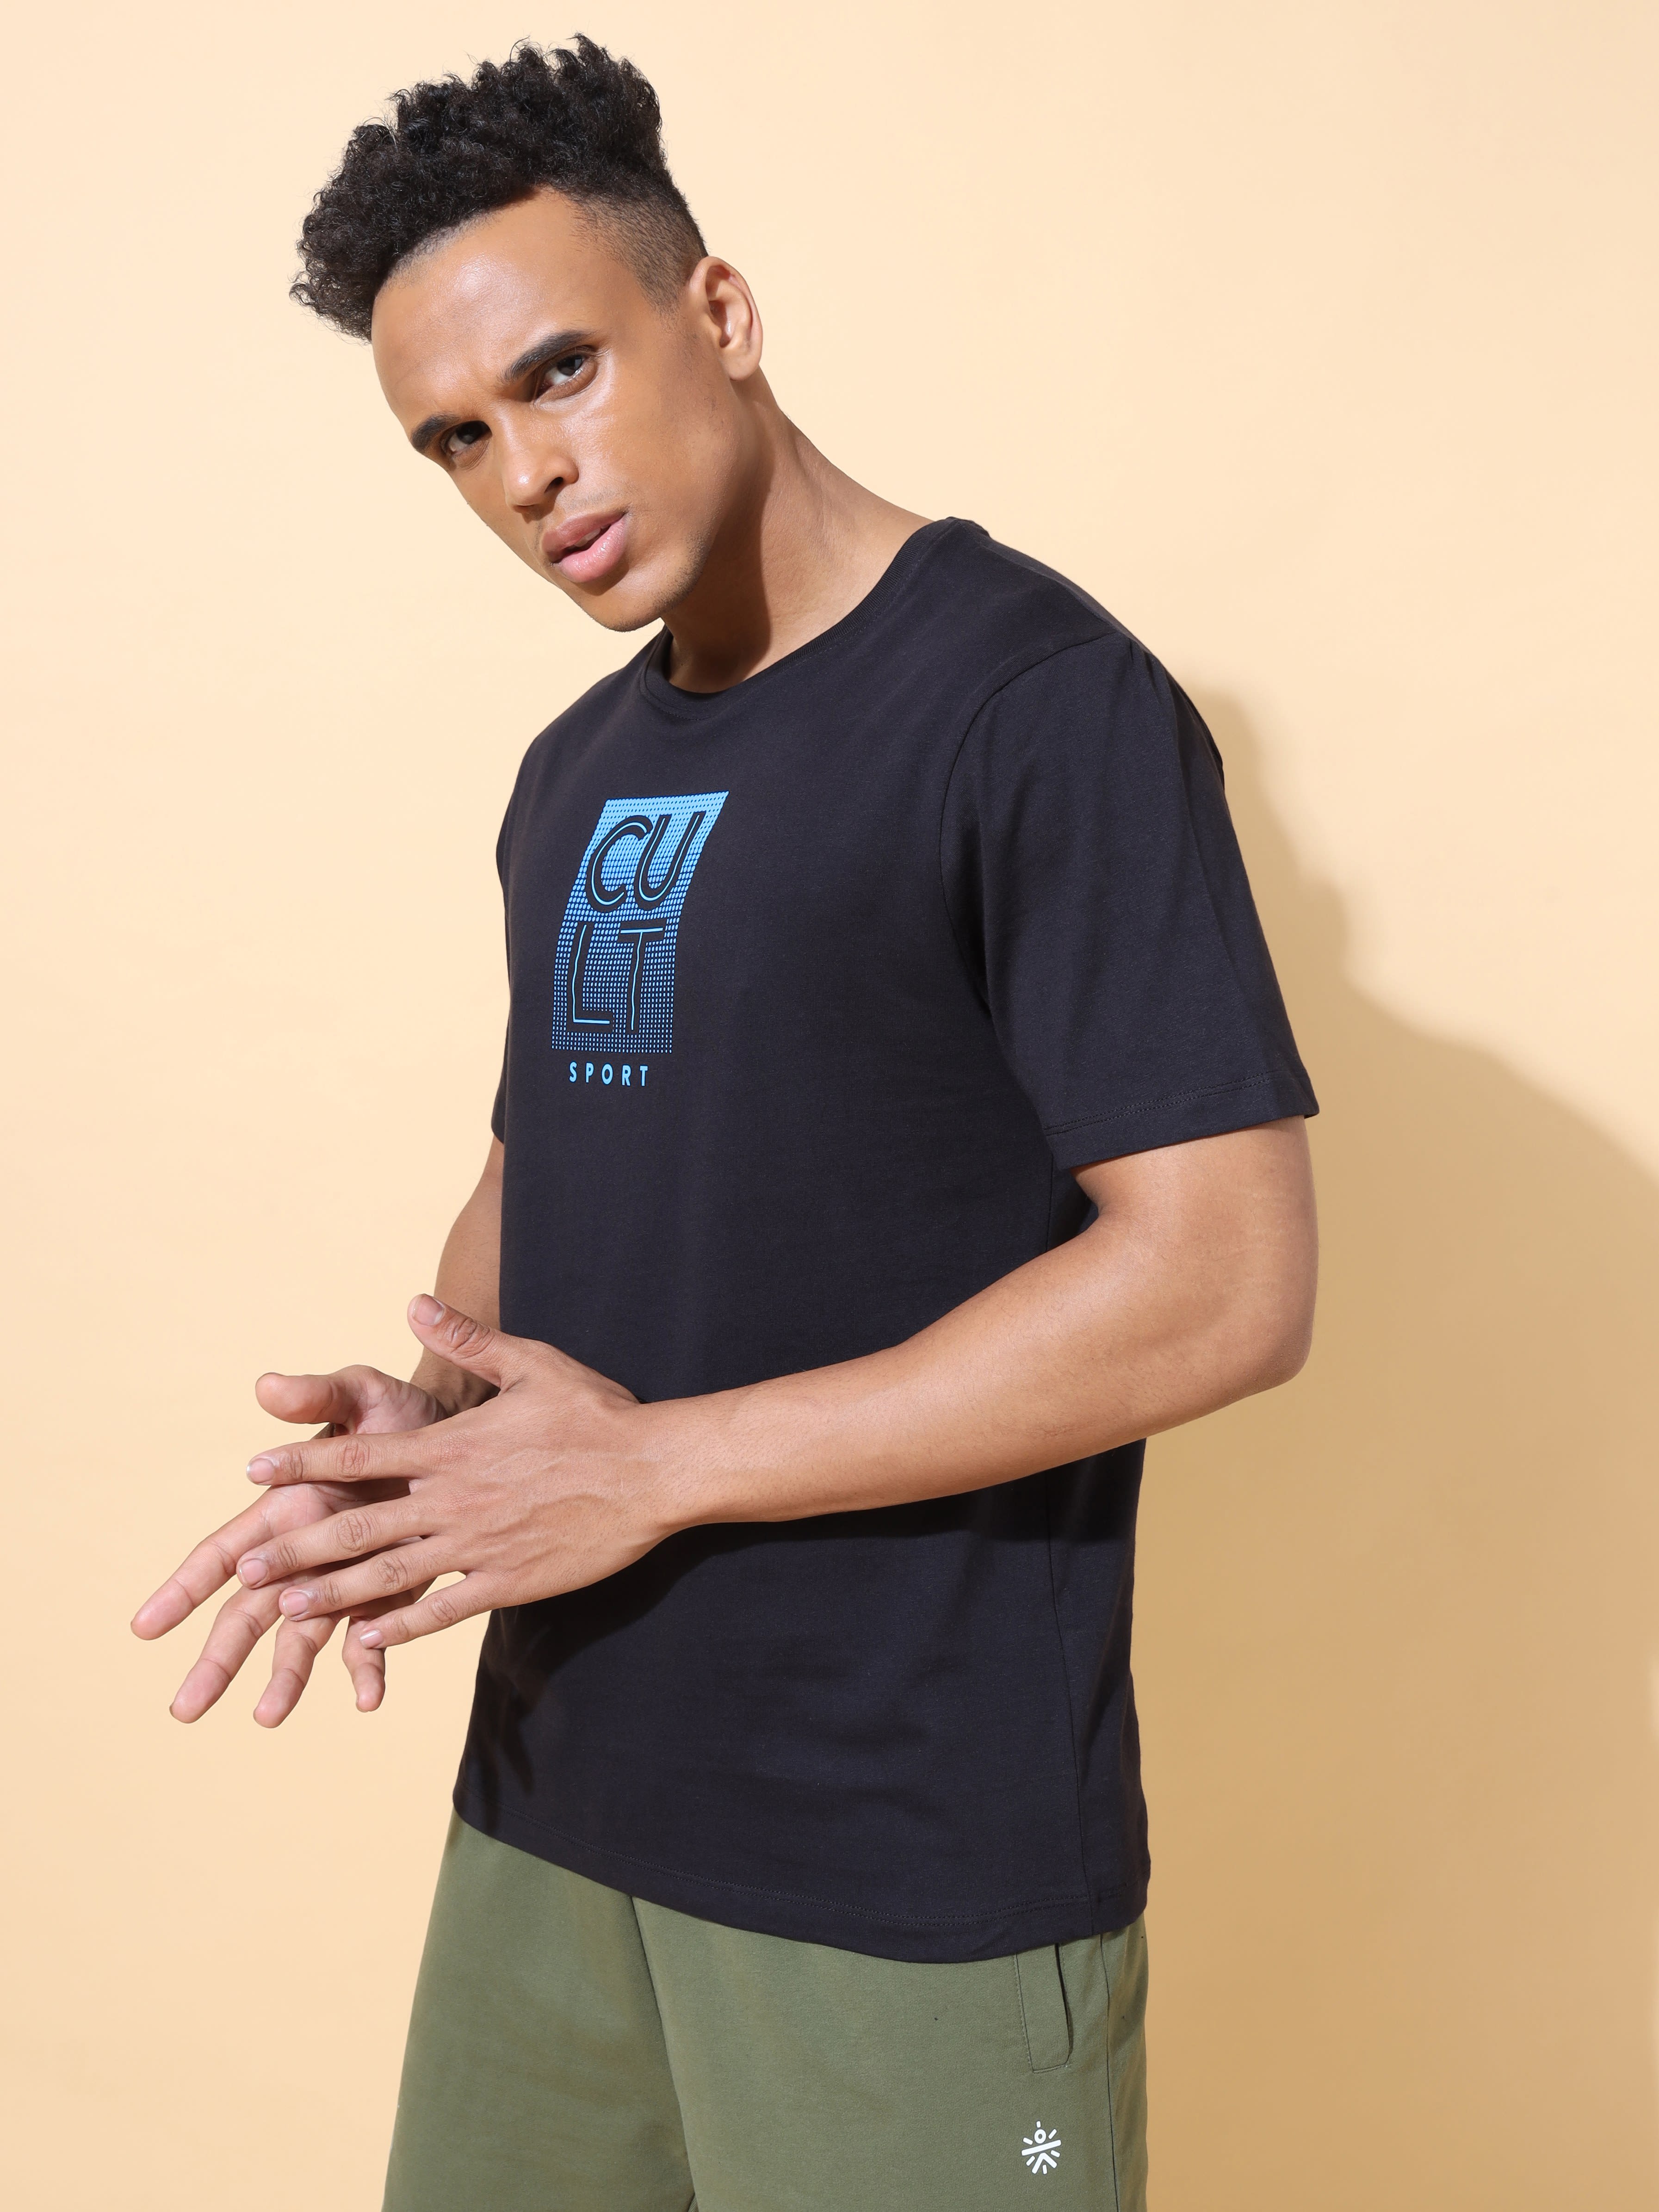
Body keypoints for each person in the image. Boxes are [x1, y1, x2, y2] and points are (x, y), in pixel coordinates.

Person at [132, 37, 1319, 2212]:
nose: (526, 470)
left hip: (904, 1865)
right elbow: (554, 1165)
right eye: (456, 438)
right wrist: (424, 1437)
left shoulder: (1038, 705)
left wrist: (655, 1463)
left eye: (560, 372)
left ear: (724, 314)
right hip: (553, 1807)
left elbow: (1226, 1280)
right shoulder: (575, 771)